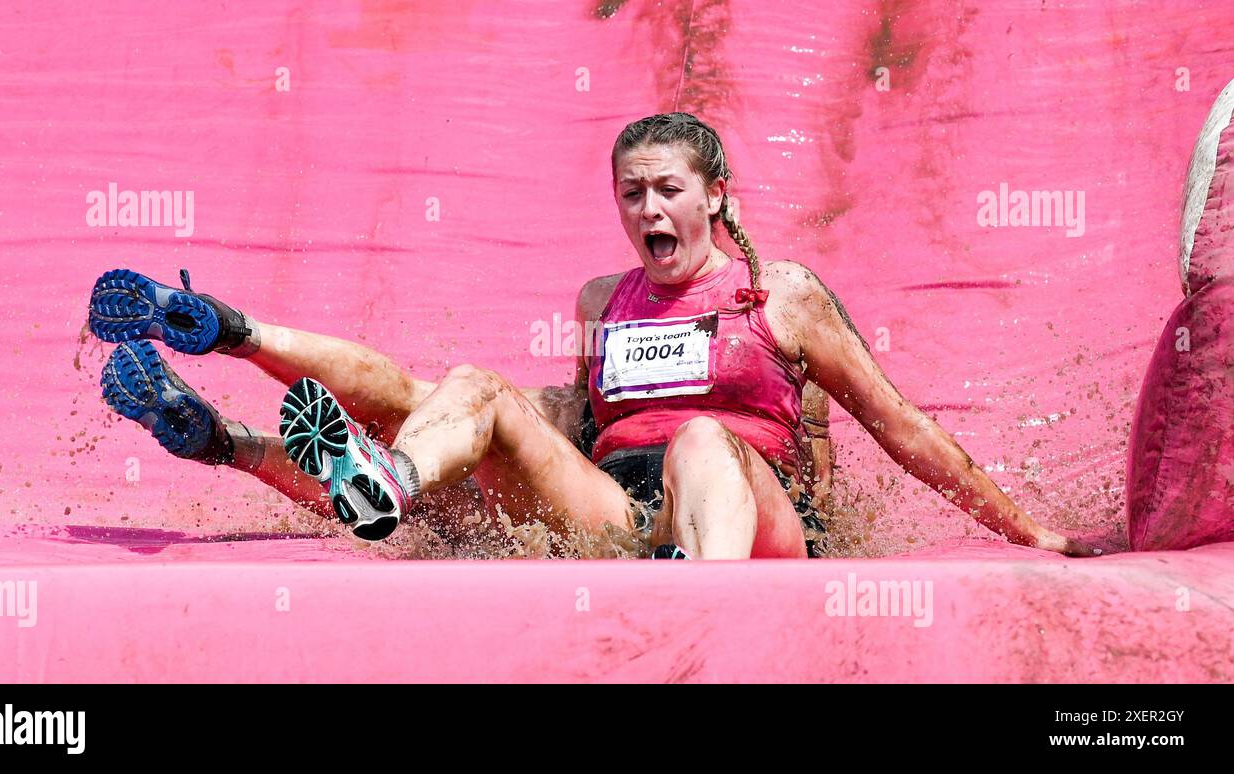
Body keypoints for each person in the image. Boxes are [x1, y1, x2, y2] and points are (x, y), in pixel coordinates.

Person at [88, 112, 1093, 559]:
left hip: (754, 524)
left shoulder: (779, 296)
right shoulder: (600, 300)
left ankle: (241, 394)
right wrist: (493, 434)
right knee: (473, 388)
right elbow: (583, 417)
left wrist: (1032, 533)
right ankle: (353, 451)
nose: (647, 210)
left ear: (715, 197)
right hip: (621, 513)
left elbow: (901, 426)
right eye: (630, 194)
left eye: (667, 191)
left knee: (702, 439)